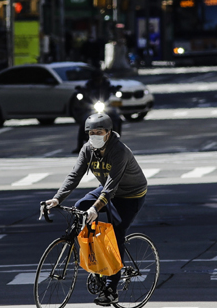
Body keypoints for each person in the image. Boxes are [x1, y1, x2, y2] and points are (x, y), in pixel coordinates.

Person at [42, 113, 148, 306]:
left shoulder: (119, 150)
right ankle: (95, 262)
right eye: (91, 132)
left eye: (99, 132)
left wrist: (96, 208)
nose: (95, 135)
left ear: (108, 133)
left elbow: (111, 187)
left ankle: (111, 289)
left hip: (130, 194)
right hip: (108, 190)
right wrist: (57, 199)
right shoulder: (87, 149)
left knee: (116, 233)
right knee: (80, 207)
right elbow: (75, 175)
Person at [73, 69, 122, 154]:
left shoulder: (106, 84)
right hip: (92, 108)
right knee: (83, 122)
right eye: (96, 78)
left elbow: (111, 89)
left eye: (99, 78)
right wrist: (80, 93)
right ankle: (79, 146)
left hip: (105, 107)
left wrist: (116, 90)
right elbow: (83, 91)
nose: (98, 80)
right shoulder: (89, 85)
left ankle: (117, 143)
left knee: (117, 119)